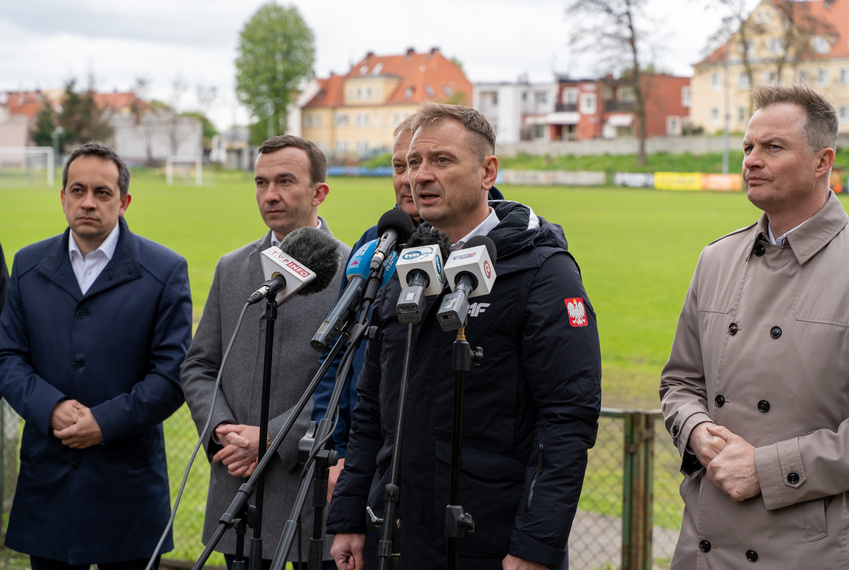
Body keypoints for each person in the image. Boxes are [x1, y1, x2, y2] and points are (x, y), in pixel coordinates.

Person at [327, 103, 601, 570]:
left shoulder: (542, 271)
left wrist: (534, 547)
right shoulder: (405, 265)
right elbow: (372, 406)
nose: (421, 176)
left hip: (488, 542)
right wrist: (349, 514)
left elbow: (566, 419)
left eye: (442, 161)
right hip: (391, 531)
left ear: (487, 171)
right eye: (413, 162)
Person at [660, 83, 849, 568]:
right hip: (704, 546)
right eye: (748, 147)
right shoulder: (715, 259)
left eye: (773, 147)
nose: (751, 160)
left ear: (821, 161)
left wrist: (768, 469)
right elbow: (680, 382)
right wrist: (696, 430)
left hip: (807, 552)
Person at [0, 142, 192, 569]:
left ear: (123, 202)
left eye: (102, 193)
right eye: (78, 190)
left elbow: (172, 375)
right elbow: (8, 357)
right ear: (63, 196)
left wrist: (103, 422)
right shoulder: (28, 266)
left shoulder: (164, 271)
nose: (88, 202)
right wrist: (50, 408)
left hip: (127, 488)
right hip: (47, 482)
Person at [313, 116, 506, 504]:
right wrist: (333, 446)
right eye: (402, 166)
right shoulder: (373, 245)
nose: (411, 178)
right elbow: (339, 356)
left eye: (431, 162)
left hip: (449, 469)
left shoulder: (498, 246)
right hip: (363, 454)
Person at [181, 135, 351, 569]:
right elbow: (200, 365)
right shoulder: (231, 267)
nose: (270, 194)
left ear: (319, 192)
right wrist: (224, 431)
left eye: (285, 181)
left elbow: (353, 384)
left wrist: (273, 437)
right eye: (261, 182)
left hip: (312, 494)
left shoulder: (355, 273)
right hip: (238, 488)